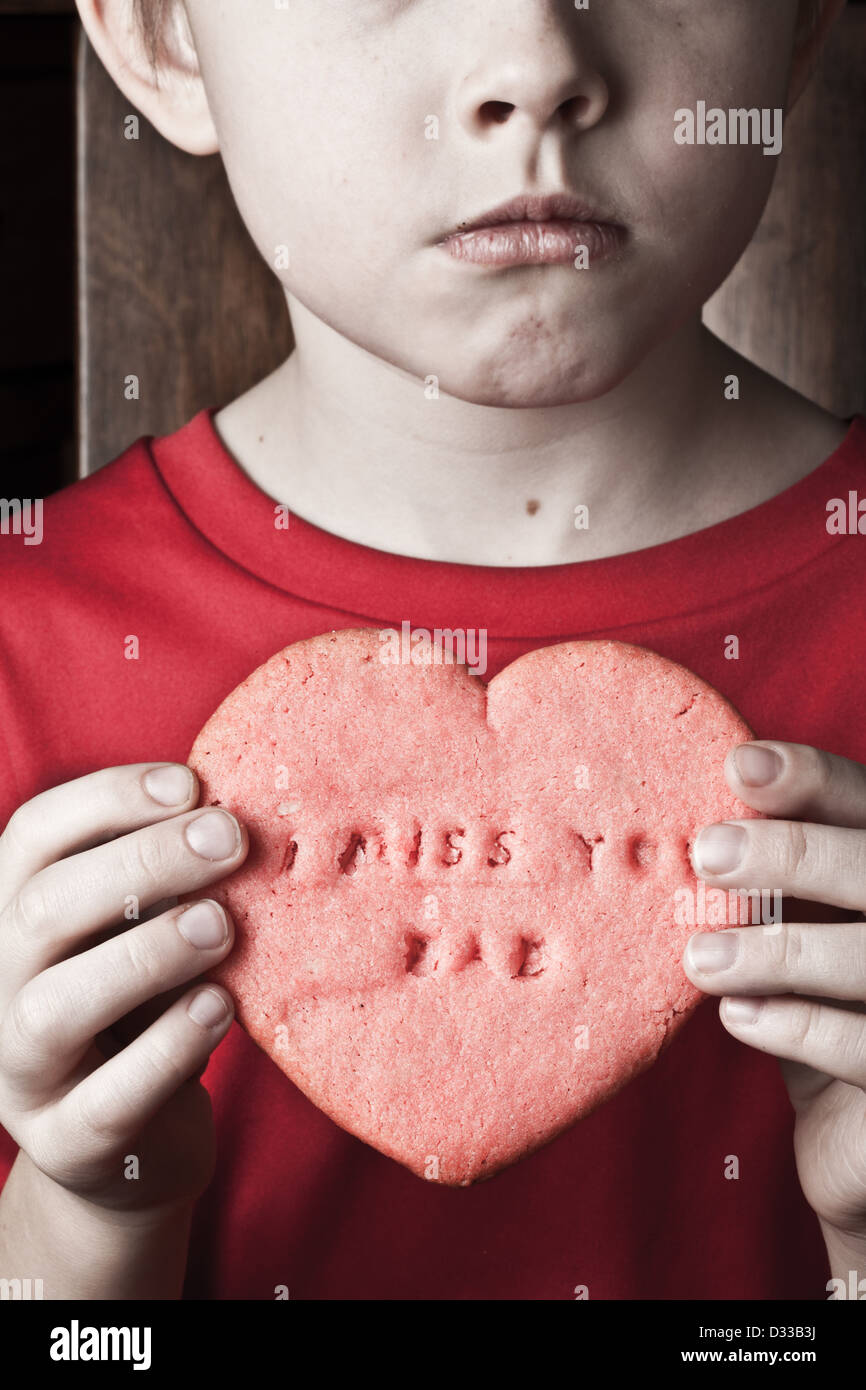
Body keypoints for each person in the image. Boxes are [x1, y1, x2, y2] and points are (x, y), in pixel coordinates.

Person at [0, 0, 863, 1299]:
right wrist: (83, 1229)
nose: (535, 66)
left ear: (797, 29)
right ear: (165, 42)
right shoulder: (23, 649)